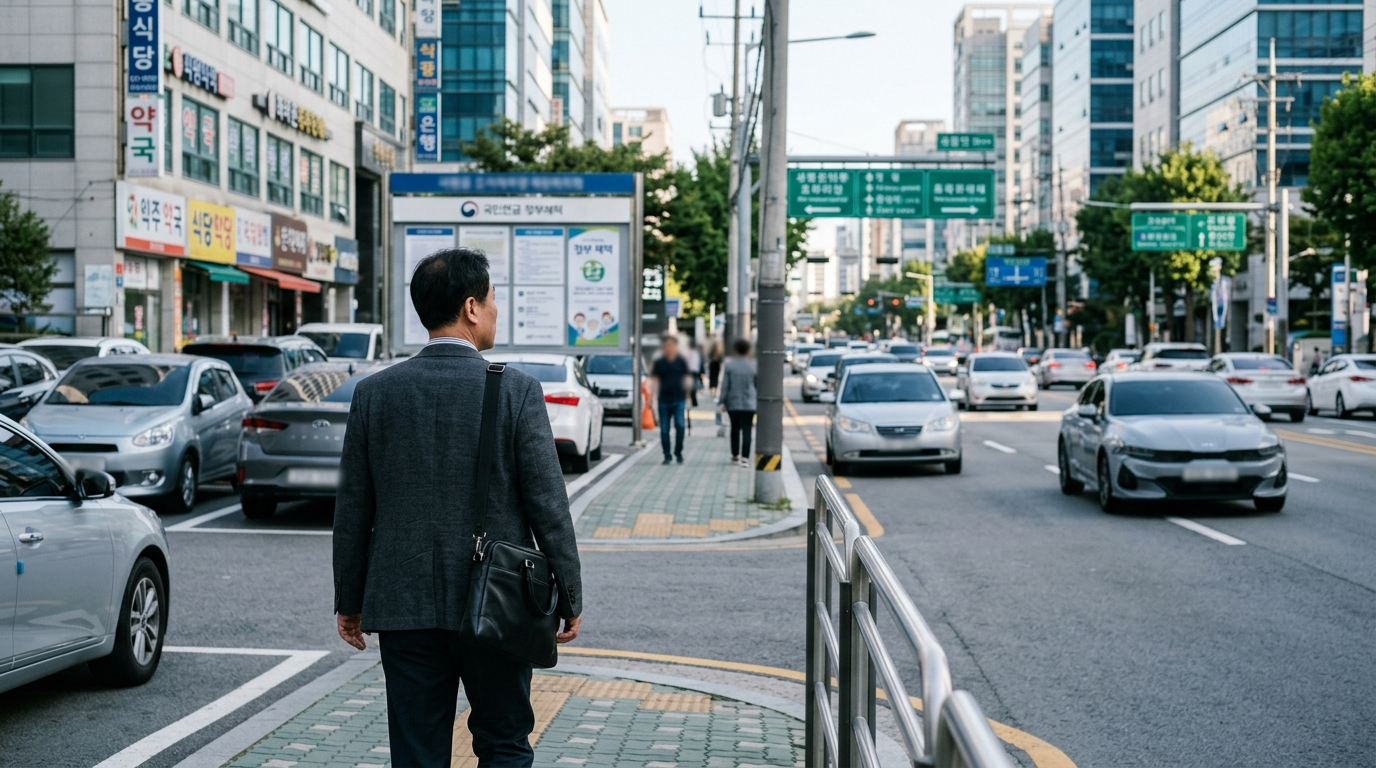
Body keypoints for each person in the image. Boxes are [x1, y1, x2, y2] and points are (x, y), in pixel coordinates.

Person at [333, 247, 583, 768]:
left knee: (417, 751)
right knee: (504, 742)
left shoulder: (374, 394)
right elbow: (548, 506)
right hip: (500, 600)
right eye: (492, 299)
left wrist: (350, 600)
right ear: (471, 307)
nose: (495, 309)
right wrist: (569, 593)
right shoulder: (517, 391)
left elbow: (354, 508)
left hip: (402, 603)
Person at [650, 335, 691, 464]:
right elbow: (655, 380)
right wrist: (652, 397)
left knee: (680, 426)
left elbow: (687, 378)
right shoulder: (659, 362)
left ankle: (678, 451)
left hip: (679, 398)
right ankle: (667, 454)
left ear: (676, 346)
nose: (669, 347)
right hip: (663, 399)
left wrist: (688, 395)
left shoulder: (681, 361)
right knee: (664, 429)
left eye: (671, 345)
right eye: (666, 345)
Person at [717, 338, 758, 466]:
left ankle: (735, 455)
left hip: (733, 402)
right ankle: (745, 457)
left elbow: (725, 385)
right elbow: (757, 385)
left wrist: (721, 401)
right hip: (750, 402)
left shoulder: (730, 365)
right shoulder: (754, 365)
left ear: (736, 350)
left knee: (734, 428)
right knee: (747, 429)